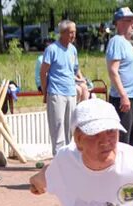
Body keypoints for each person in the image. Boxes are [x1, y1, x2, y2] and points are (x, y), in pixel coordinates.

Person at [41, 20, 86, 155]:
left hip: (71, 92)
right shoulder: (52, 49)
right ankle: (58, 158)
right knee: (58, 126)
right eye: (71, 32)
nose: (73, 35)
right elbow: (43, 72)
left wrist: (82, 80)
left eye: (74, 32)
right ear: (63, 33)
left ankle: (68, 158)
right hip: (56, 92)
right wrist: (45, 92)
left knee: (69, 127)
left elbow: (75, 69)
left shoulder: (73, 50)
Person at [106, 7, 133, 147]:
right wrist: (123, 95)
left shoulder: (126, 44)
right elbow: (113, 71)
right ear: (120, 23)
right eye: (130, 21)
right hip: (124, 100)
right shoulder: (117, 41)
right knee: (124, 141)